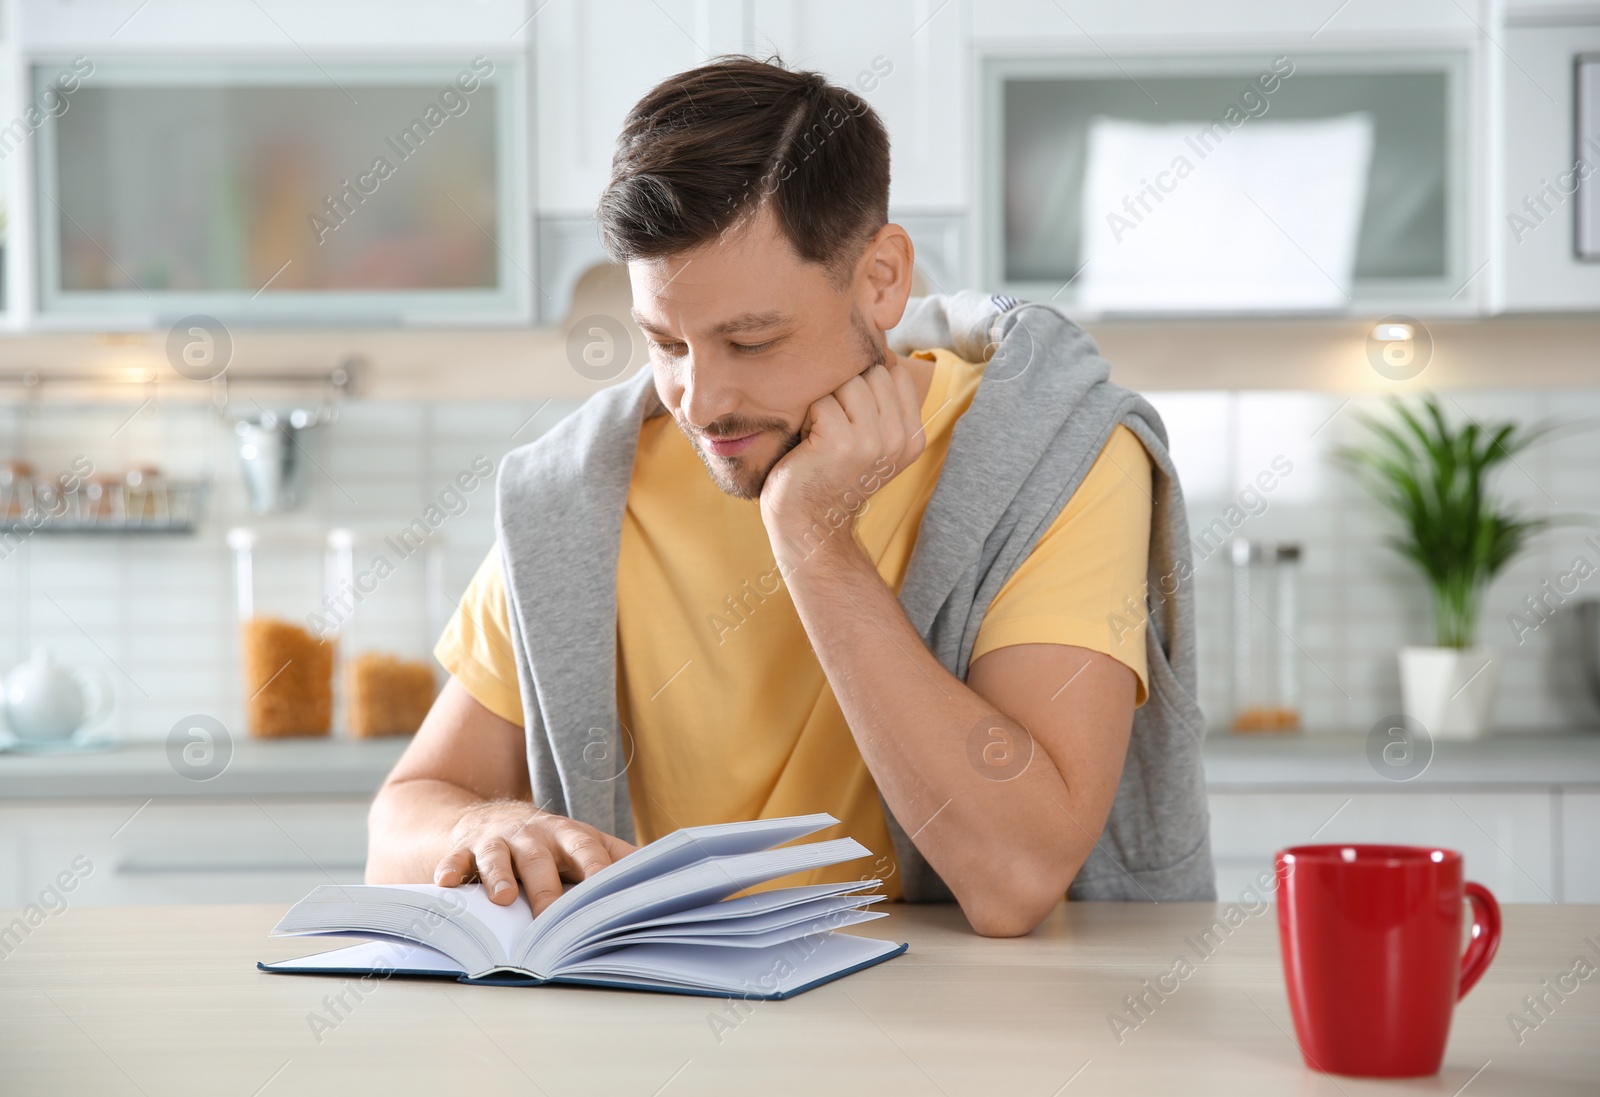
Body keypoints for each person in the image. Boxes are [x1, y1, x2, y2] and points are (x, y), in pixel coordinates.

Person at [366, 54, 1214, 938]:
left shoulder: (1055, 456)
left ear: (882, 277)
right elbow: (403, 819)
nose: (699, 400)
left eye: (753, 340)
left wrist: (812, 535)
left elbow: (1016, 874)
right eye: (665, 342)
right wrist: (480, 825)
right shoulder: (581, 490)